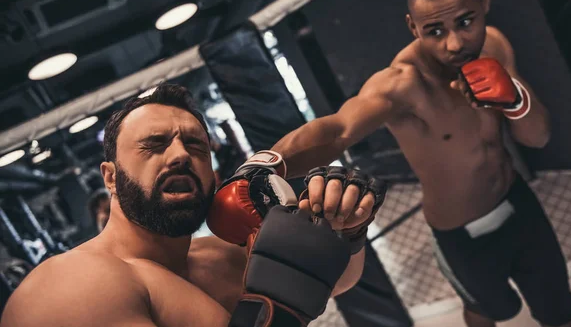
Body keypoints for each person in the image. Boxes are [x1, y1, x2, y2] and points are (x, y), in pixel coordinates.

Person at [268, 0, 571, 326]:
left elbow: (537, 136)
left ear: (484, 1)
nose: (454, 43)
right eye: (434, 31)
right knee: (483, 314)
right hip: (462, 237)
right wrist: (267, 165)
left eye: (465, 22)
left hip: (518, 205)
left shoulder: (493, 45)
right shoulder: (402, 84)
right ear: (412, 27)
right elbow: (338, 130)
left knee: (562, 314)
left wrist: (514, 98)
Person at [0, 84, 385, 327]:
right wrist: (279, 311)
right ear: (111, 177)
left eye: (196, 146)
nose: (180, 155)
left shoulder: (222, 256)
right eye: (154, 145)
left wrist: (345, 231)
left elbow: (338, 281)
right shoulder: (74, 285)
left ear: (215, 177)